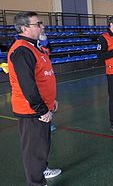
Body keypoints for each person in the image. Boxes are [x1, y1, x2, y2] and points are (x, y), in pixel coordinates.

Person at [8, 11, 61, 185]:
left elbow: (43, 76)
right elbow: (28, 86)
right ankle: (36, 182)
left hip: (43, 106)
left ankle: (42, 170)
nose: (42, 26)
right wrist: (42, 109)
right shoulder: (22, 50)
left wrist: (50, 100)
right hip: (31, 110)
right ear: (24, 28)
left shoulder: (34, 46)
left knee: (42, 145)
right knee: (33, 150)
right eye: (37, 24)